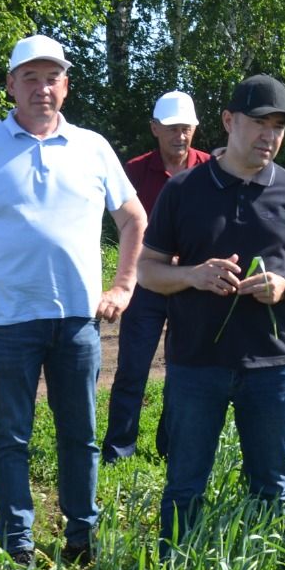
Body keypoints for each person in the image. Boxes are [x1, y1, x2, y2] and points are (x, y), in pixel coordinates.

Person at [0, 35, 145, 564]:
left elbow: (133, 218)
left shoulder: (92, 147)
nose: (42, 88)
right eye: (31, 78)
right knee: (10, 439)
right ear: (12, 84)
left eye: (52, 77)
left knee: (80, 437)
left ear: (66, 85)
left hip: (78, 321)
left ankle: (81, 537)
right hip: (10, 323)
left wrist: (123, 286)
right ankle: (17, 543)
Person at [137, 74, 285, 554]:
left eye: (278, 126)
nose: (269, 135)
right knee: (185, 486)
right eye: (258, 123)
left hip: (272, 368)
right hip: (195, 365)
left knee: (274, 486)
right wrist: (193, 275)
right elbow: (147, 272)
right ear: (229, 122)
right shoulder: (185, 190)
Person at [101, 90, 212, 463]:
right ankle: (119, 449)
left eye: (186, 128)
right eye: (171, 129)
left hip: (191, 286)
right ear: (154, 128)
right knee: (133, 368)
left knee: (181, 372)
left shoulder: (210, 169)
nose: (179, 136)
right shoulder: (134, 170)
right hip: (146, 284)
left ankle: (171, 446)